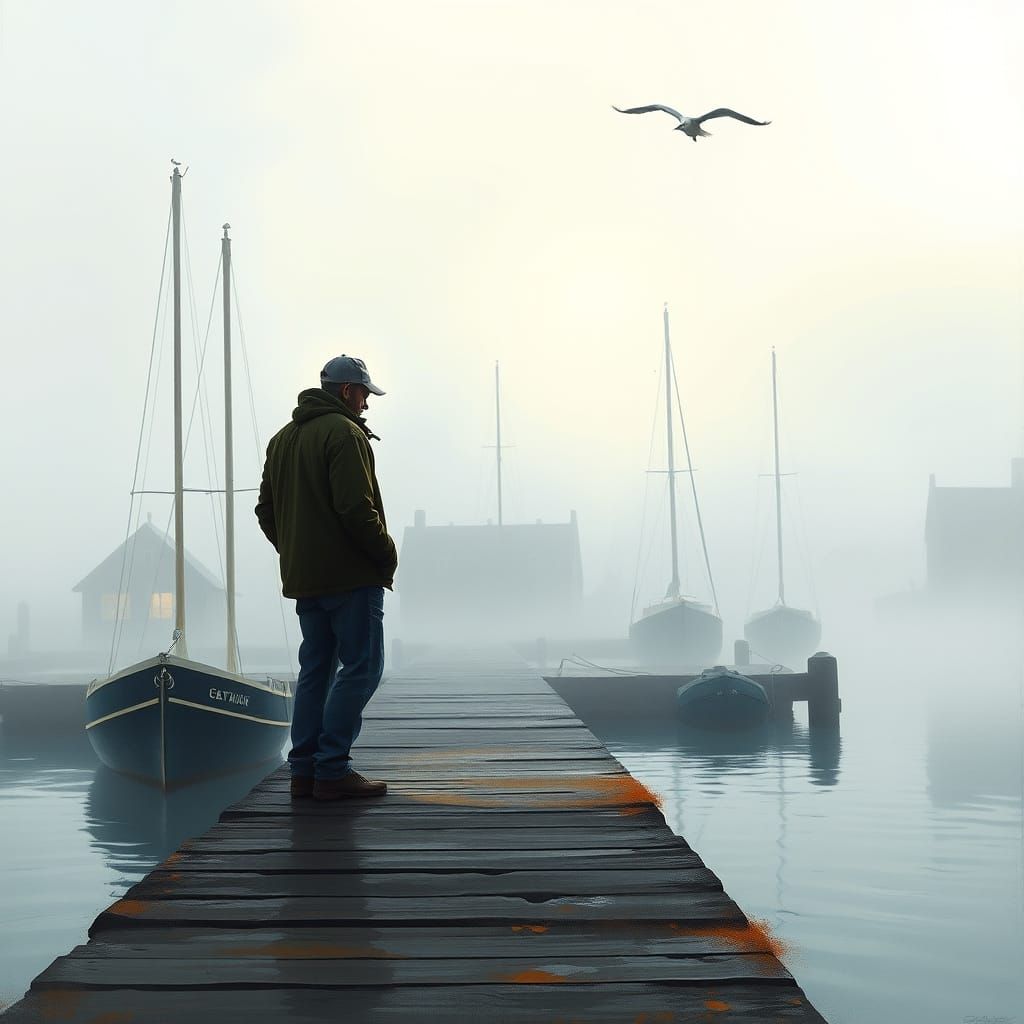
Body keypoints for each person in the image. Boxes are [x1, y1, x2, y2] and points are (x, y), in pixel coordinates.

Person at [255, 355, 398, 801]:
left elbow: (265, 511)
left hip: (307, 581)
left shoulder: (282, 440)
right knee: (363, 668)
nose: (366, 406)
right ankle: (332, 768)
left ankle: (303, 772)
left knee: (316, 669)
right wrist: (385, 553)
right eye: (363, 396)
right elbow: (357, 509)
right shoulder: (345, 434)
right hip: (350, 578)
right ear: (345, 392)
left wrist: (296, 550)